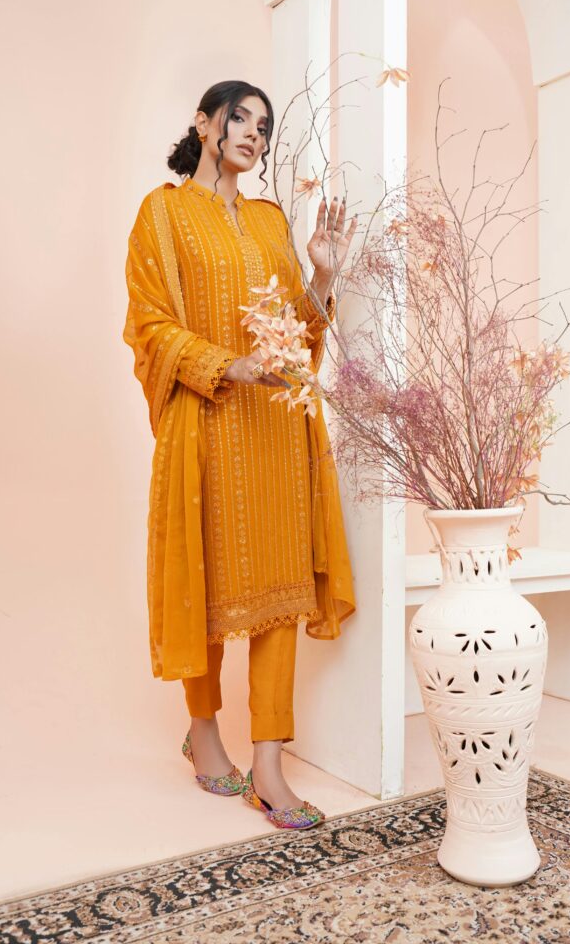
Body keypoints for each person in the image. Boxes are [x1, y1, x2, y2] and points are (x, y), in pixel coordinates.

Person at [123, 80, 357, 830]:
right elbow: (149, 326)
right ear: (203, 122)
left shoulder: (267, 221)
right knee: (205, 578)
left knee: (279, 593)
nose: (253, 133)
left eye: (264, 124)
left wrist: (320, 271)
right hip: (206, 419)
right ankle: (201, 733)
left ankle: (269, 763)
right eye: (239, 118)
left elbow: (297, 333)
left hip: (275, 430)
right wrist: (228, 364)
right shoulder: (162, 214)